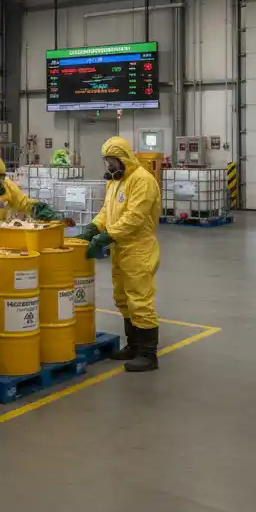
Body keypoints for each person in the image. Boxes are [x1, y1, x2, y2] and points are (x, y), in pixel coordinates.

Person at [75, 137, 161, 372]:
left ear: (123, 158)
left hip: (138, 248)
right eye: (107, 161)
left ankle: (148, 354)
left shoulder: (142, 181)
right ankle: (133, 345)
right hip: (119, 247)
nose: (109, 166)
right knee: (122, 297)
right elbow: (107, 210)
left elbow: (134, 217)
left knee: (140, 299)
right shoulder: (116, 181)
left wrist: (105, 236)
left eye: (112, 161)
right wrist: (94, 227)